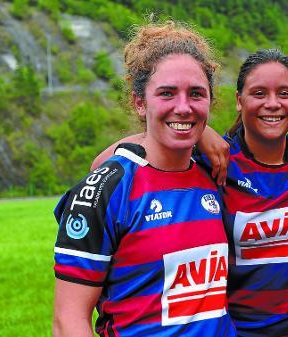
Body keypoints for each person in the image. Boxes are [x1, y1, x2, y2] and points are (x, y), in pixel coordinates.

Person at [91, 49, 288, 337]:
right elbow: (101, 166)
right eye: (259, 93)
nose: (272, 104)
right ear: (239, 100)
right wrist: (198, 132)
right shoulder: (215, 161)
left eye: (285, 93)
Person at [52, 21, 236, 337]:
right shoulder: (106, 189)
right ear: (140, 102)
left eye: (196, 94)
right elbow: (68, 320)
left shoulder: (216, 171)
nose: (184, 107)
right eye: (167, 93)